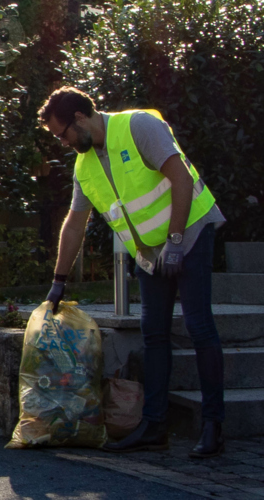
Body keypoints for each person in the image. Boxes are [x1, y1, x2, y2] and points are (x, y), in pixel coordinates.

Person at [39, 86, 226, 458]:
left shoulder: (139, 126)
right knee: (153, 334)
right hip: (149, 252)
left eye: (63, 134)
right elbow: (74, 224)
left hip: (189, 232)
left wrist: (174, 241)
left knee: (198, 325)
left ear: (79, 117)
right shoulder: (84, 165)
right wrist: (57, 282)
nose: (62, 143)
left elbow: (181, 178)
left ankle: (213, 426)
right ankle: (155, 426)